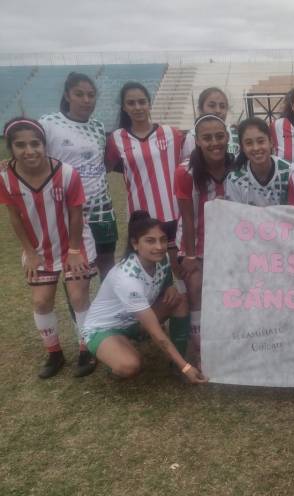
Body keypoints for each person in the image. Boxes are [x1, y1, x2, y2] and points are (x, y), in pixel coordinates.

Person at [0, 118, 98, 378]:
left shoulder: (66, 173)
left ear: (45, 145)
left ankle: (86, 349)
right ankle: (54, 354)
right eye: (20, 145)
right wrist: (30, 253)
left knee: (78, 297)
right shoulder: (5, 177)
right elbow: (14, 217)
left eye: (35, 143)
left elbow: (76, 214)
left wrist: (75, 251)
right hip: (39, 250)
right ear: (10, 148)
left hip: (74, 244)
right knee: (41, 301)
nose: (29, 150)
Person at [82, 211, 206, 384]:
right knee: (130, 366)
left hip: (133, 321)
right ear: (135, 244)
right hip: (104, 328)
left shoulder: (160, 259)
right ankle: (111, 350)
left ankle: (175, 363)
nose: (159, 246)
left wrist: (169, 285)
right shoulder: (127, 280)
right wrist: (187, 368)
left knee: (179, 300)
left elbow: (165, 274)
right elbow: (157, 333)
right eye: (150, 241)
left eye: (162, 239)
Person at [40, 72, 117, 277]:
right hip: (67, 210)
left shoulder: (98, 127)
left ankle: (110, 308)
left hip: (101, 208)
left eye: (91, 95)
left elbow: (102, 164)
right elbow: (33, 155)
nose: (86, 100)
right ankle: (81, 309)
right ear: (67, 96)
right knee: (75, 268)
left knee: (107, 262)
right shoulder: (48, 123)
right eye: (79, 94)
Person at [105, 82, 184, 278]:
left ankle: (185, 307)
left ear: (150, 104)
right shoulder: (116, 139)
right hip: (142, 216)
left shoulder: (172, 134)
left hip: (174, 212)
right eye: (131, 103)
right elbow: (108, 167)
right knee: (148, 271)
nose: (137, 107)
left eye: (142, 102)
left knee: (179, 268)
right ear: (124, 107)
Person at [175, 114, 233, 355]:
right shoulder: (185, 172)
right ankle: (200, 347)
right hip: (196, 244)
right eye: (207, 138)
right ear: (197, 140)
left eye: (219, 136)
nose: (214, 143)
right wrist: (189, 256)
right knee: (196, 287)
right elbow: (188, 217)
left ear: (228, 137)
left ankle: (230, 336)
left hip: (229, 245)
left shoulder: (237, 165)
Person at [225, 117, 294, 206]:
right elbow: (235, 216)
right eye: (249, 143)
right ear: (242, 148)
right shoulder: (235, 180)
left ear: (271, 142)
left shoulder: (290, 173)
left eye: (261, 141)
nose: (256, 148)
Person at [181, 87, 241, 159]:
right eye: (212, 105)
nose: (218, 110)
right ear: (200, 109)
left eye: (222, 106)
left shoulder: (235, 132)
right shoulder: (192, 136)